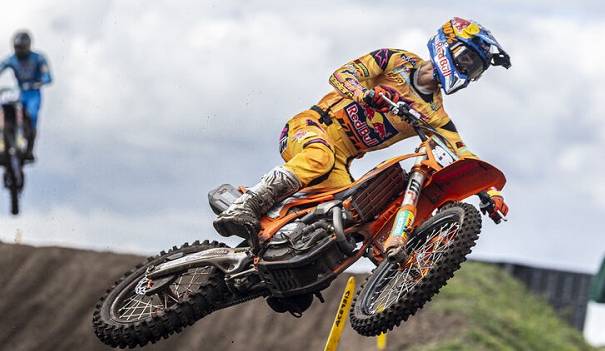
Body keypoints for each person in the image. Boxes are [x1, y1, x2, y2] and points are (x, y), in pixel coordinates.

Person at [213, 17, 511, 246]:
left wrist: (489, 190)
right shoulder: (395, 60)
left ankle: (286, 260)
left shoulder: (434, 114)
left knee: (350, 215)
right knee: (318, 157)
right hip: (312, 126)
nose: (467, 69)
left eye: (475, 69)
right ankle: (245, 206)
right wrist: (366, 95)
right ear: (449, 44)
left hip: (341, 160)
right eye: (468, 58)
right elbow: (341, 75)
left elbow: (460, 152)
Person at [0, 30, 53, 164]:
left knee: (33, 115)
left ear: (28, 46)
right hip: (19, 93)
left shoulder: (39, 58)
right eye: (17, 47)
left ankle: (29, 149)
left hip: (33, 93)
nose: (19, 51)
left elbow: (48, 76)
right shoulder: (11, 60)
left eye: (22, 47)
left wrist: (42, 81)